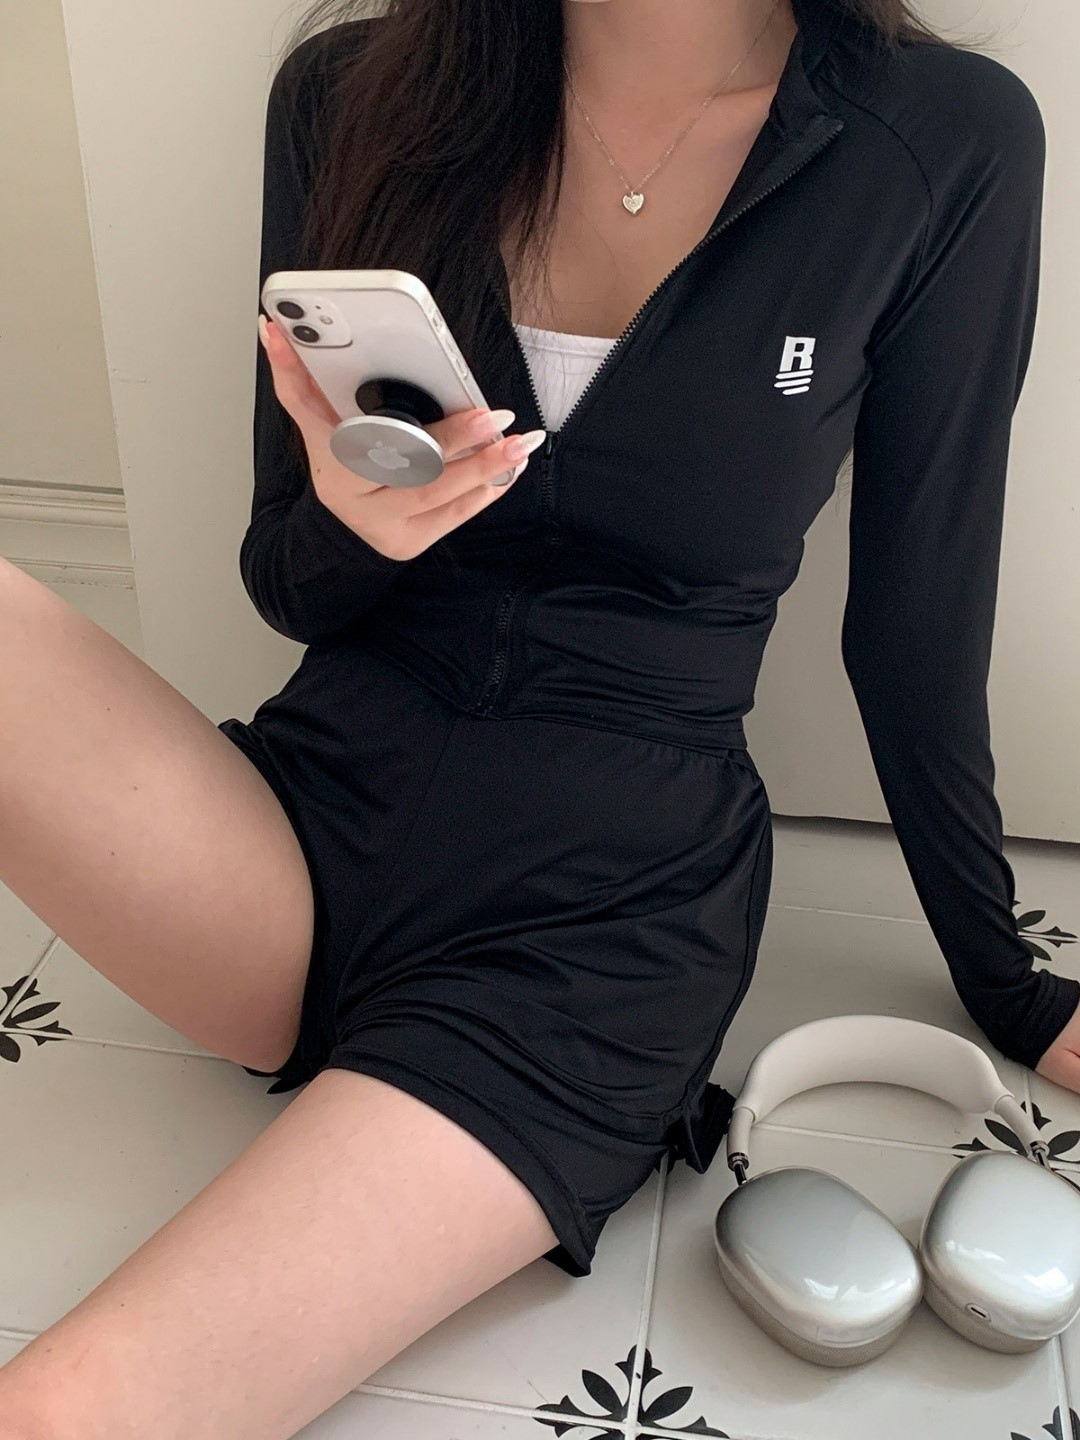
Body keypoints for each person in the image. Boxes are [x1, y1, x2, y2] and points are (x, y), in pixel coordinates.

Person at [1, 0, 1078, 1435]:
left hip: (591, 939)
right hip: (297, 841)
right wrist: (350, 526)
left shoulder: (940, 139)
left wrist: (1007, 982)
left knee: (67, 1409)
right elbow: (284, 581)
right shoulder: (348, 90)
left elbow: (916, 626)